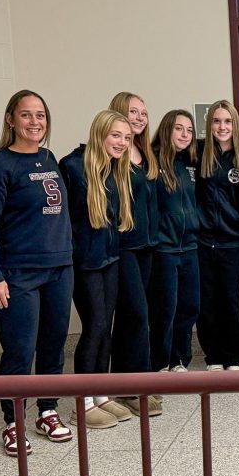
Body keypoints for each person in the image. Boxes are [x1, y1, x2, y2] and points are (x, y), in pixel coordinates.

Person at [0, 91, 74, 456]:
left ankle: (47, 410)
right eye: (27, 115)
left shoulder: (48, 158)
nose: (35, 122)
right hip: (18, 274)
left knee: (53, 345)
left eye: (41, 115)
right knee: (19, 351)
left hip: (59, 269)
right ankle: (12, 422)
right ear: (10, 120)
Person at [60, 110, 135, 429]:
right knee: (94, 327)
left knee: (107, 328)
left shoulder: (115, 169)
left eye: (126, 138)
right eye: (115, 135)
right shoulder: (73, 166)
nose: (121, 142)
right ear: (100, 133)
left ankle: (101, 393)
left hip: (110, 258)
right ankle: (83, 401)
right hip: (85, 262)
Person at [108, 92, 158, 382]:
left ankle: (133, 380)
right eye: (133, 112)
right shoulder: (115, 153)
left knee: (139, 316)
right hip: (124, 246)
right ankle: (135, 384)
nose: (139, 118)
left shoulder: (145, 152)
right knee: (135, 315)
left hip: (147, 246)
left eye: (143, 113)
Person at [196, 100, 239, 371]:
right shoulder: (198, 153)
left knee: (229, 299)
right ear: (209, 125)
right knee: (206, 301)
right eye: (217, 121)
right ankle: (213, 356)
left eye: (227, 121)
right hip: (203, 241)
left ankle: (235, 356)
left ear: (235, 125)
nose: (222, 126)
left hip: (233, 241)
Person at [149, 110, 200, 376]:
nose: (184, 134)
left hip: (190, 246)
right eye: (179, 128)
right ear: (167, 129)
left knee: (189, 307)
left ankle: (180, 360)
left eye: (189, 130)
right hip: (164, 248)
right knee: (165, 309)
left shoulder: (190, 163)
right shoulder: (152, 162)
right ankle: (160, 363)